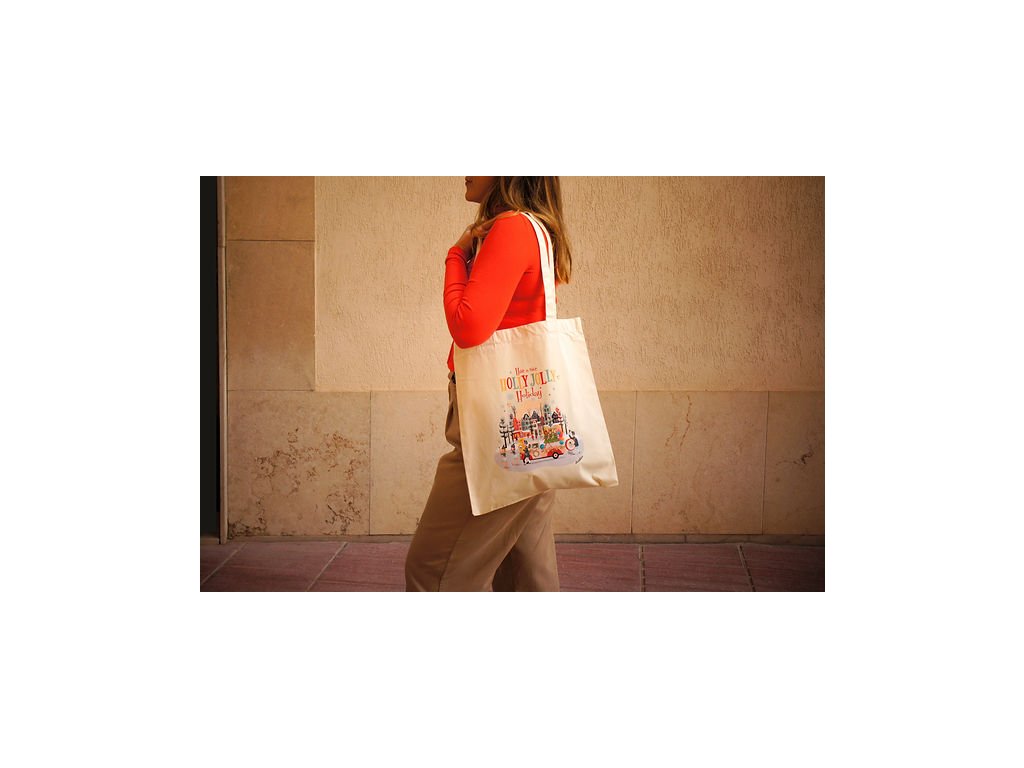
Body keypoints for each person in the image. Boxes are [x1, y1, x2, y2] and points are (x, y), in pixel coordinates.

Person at [404, 177, 573, 591]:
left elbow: (468, 326)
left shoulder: (511, 228)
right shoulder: (535, 228)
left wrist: (456, 255)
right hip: (532, 423)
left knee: (431, 572)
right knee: (527, 578)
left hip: (495, 426)